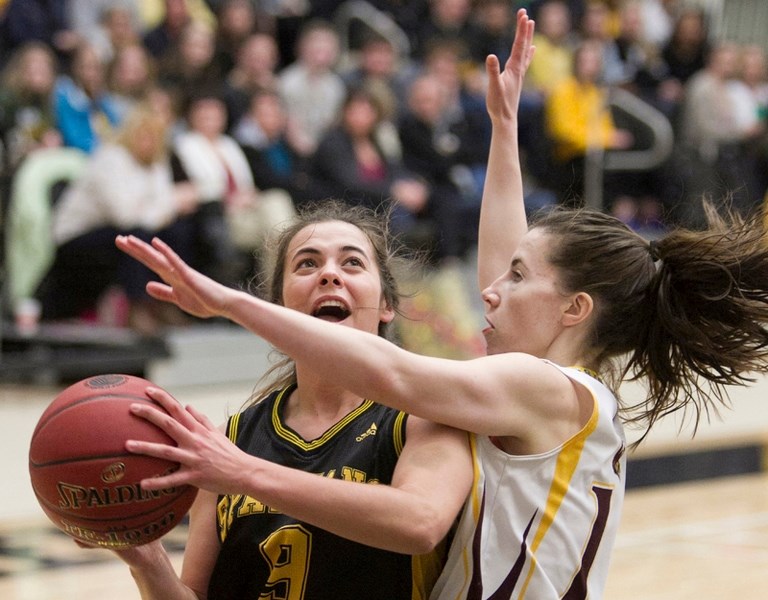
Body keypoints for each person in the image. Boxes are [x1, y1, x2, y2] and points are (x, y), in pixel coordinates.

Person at [117, 10, 768, 598]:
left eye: (516, 279)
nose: (492, 288)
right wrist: (504, 130)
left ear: (573, 309)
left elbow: (393, 374)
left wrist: (230, 303)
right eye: (308, 264)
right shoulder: (543, 388)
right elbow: (508, 257)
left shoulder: (540, 387)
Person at [108, 200, 472, 599]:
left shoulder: (425, 417)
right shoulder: (229, 440)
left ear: (386, 305)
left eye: (351, 263)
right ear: (278, 308)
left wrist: (245, 474)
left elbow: (420, 523)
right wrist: (148, 562)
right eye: (307, 264)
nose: (330, 274)